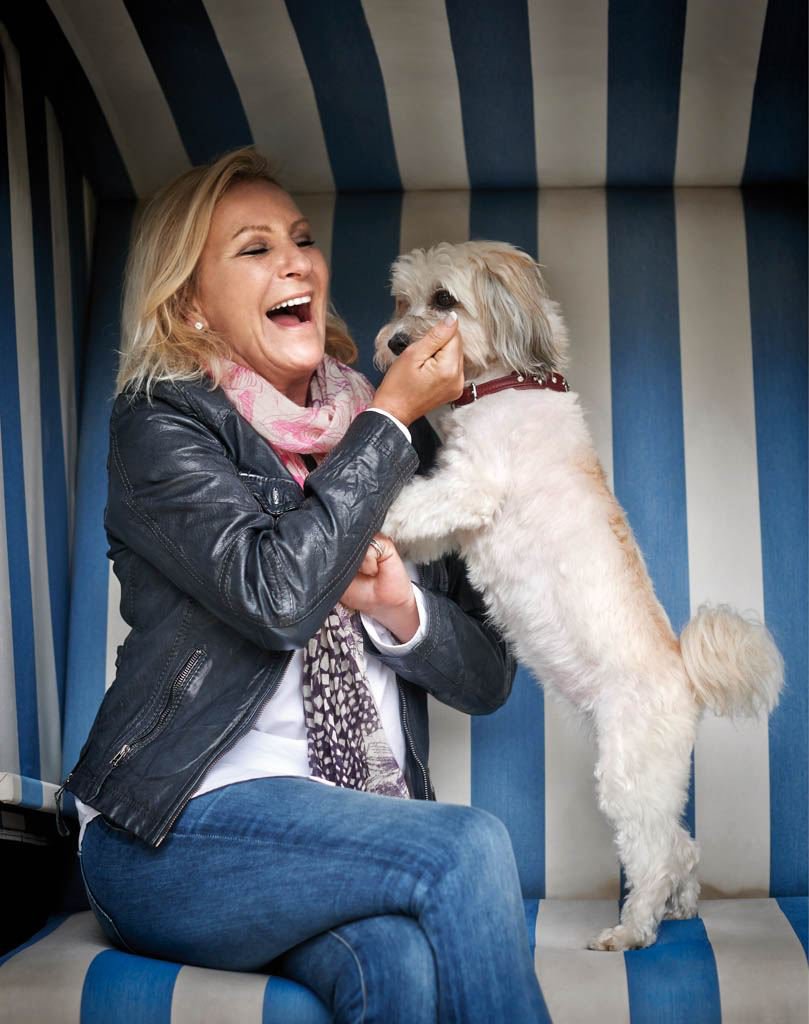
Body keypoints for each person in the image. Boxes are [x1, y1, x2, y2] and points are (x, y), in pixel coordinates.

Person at [59, 147, 545, 1023]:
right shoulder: (163, 424)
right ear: (189, 303)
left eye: (301, 239)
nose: (295, 261)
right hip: (172, 833)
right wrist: (390, 418)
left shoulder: (389, 437)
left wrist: (400, 607)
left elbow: (488, 678)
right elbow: (277, 595)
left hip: (338, 834)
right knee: (466, 843)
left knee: (398, 966)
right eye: (253, 248)